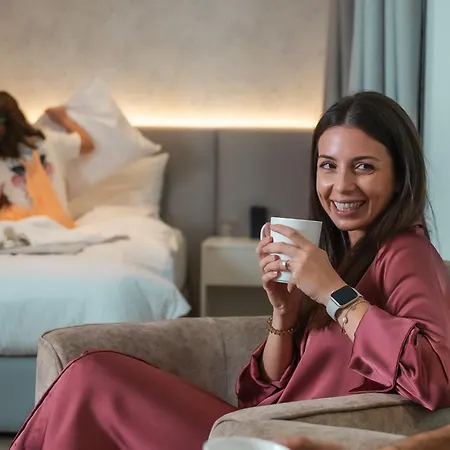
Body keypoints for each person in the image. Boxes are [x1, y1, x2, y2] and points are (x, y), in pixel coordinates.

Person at [9, 91, 450, 450]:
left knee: (93, 378)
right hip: (252, 428)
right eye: (328, 166)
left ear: (400, 176)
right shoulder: (340, 256)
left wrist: (333, 293)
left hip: (287, 442)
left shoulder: (406, 253)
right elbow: (261, 393)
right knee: (89, 373)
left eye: (364, 167)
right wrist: (284, 312)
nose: (341, 185)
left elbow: (437, 378)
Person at [0, 92, 94, 227]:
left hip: (21, 227)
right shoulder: (48, 140)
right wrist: (63, 119)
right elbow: (88, 144)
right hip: (59, 225)